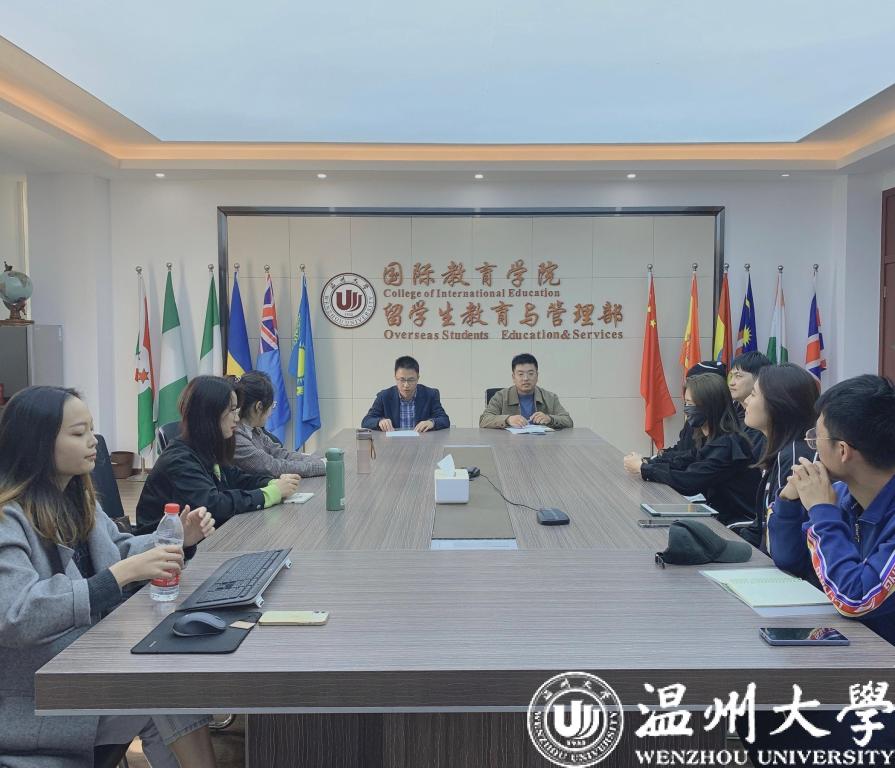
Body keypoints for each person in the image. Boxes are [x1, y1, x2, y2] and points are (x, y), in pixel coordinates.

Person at [0, 386, 219, 768]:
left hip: (84, 671)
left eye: (91, 429)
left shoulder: (77, 498)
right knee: (162, 691)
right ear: (38, 442)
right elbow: (16, 616)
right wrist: (117, 577)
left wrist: (177, 540)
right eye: (78, 432)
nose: (93, 442)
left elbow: (118, 550)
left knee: (170, 686)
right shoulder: (7, 518)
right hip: (34, 701)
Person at [768, 374, 895, 645]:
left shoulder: (829, 501)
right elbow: (791, 560)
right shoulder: (844, 494)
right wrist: (789, 502)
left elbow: (856, 598)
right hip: (862, 646)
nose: (812, 445)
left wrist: (822, 512)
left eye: (816, 437)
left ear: (843, 450)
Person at [136, 376, 300, 534]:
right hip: (162, 545)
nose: (237, 418)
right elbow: (213, 505)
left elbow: (237, 478)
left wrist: (273, 482)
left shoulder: (206, 446)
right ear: (210, 414)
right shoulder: (179, 459)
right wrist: (270, 494)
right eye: (232, 410)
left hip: (198, 538)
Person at [624, 373, 761, 525]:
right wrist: (647, 462)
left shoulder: (728, 445)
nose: (686, 409)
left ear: (710, 405)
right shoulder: (709, 436)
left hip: (741, 523)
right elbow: (685, 459)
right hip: (718, 514)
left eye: (691, 404)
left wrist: (643, 469)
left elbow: (689, 481)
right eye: (686, 403)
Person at [738, 363, 818, 549]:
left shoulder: (796, 457)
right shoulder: (781, 449)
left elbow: (783, 539)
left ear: (777, 404)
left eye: (753, 394)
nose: (746, 401)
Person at [233, 371, 325, 477]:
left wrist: (320, 461)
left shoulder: (255, 430)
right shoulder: (236, 436)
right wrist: (321, 466)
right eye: (272, 406)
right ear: (259, 406)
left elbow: (281, 454)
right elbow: (273, 467)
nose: (271, 413)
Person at [479, 353, 573, 429]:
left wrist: (550, 419)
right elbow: (484, 420)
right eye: (520, 374)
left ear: (537, 376)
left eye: (530, 373)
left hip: (541, 444)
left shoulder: (550, 397)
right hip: (509, 443)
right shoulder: (500, 397)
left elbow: (568, 421)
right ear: (513, 377)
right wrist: (508, 419)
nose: (525, 378)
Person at [361, 356, 450, 432]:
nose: (406, 385)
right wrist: (379, 421)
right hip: (392, 444)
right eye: (402, 380)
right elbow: (366, 421)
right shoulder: (384, 396)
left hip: (422, 443)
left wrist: (432, 422)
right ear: (395, 378)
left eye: (411, 380)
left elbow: (444, 420)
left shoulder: (430, 394)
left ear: (418, 378)